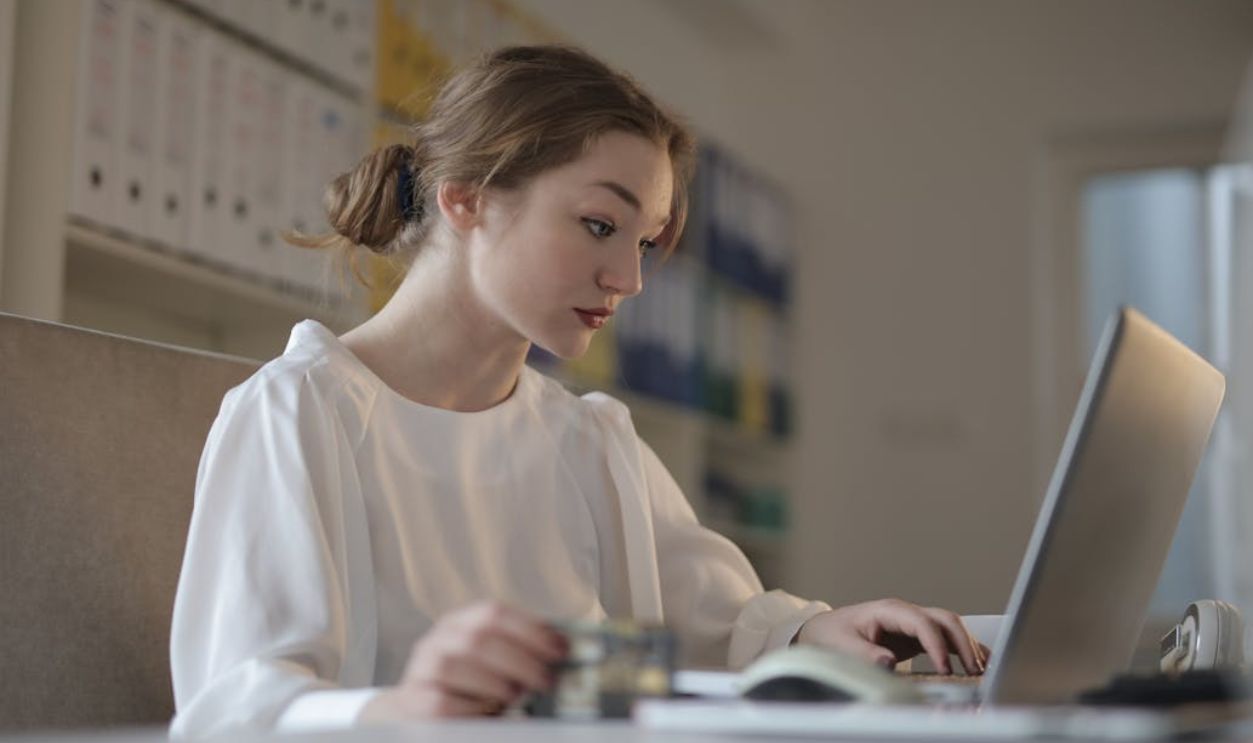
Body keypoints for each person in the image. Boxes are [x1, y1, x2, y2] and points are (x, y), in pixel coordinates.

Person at [169, 44, 986, 737]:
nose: (628, 279)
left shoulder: (589, 440)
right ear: (467, 199)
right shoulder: (300, 412)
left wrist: (820, 630)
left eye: (644, 241)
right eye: (600, 224)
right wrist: (402, 708)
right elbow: (231, 711)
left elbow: (726, 625)